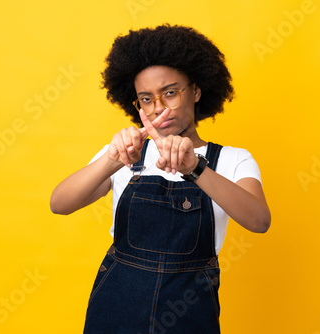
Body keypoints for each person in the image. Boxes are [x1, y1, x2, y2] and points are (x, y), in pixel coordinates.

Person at [50, 24, 271, 333]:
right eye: (146, 99)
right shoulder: (125, 154)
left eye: (170, 93)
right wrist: (112, 160)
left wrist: (194, 167)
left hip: (189, 312)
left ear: (195, 90)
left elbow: (259, 220)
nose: (159, 109)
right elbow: (59, 204)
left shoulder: (233, 160)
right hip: (116, 307)